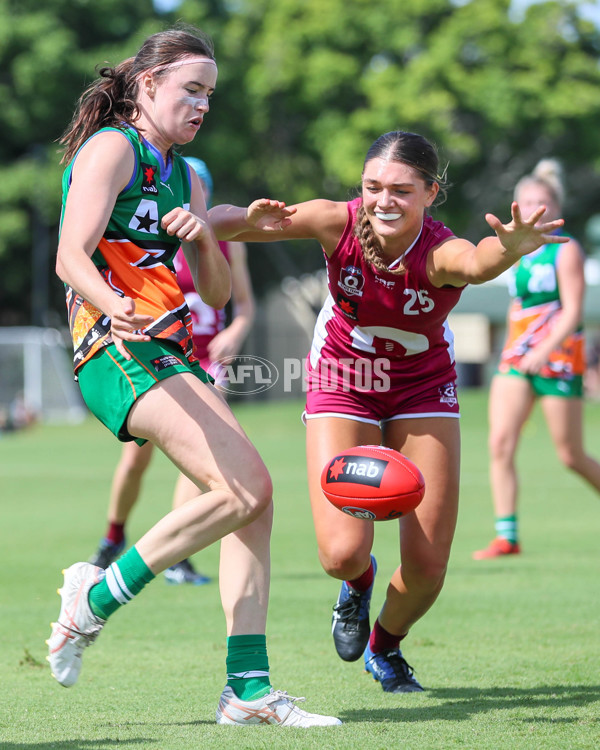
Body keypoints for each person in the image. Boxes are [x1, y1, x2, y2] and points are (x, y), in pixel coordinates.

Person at [46, 25, 340, 727]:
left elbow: (213, 292)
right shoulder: (113, 148)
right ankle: (96, 597)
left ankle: (247, 690)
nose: (203, 105)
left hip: (165, 350)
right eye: (191, 90)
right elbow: (68, 257)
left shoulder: (182, 174)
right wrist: (115, 305)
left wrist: (206, 234)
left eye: (210, 94)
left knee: (256, 500)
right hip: (112, 348)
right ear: (147, 86)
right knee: (246, 488)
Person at [208, 130, 567, 693]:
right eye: (373, 186)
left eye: (402, 189)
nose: (384, 200)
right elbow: (227, 225)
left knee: (427, 569)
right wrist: (233, 217)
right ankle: (358, 584)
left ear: (431, 192)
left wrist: (513, 246)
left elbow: (477, 263)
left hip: (423, 386)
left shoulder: (441, 250)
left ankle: (386, 645)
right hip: (343, 376)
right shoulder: (335, 220)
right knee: (340, 554)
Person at [89, 157, 256, 586]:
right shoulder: (149, 236)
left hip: (206, 358)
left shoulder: (220, 240)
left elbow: (241, 304)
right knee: (136, 458)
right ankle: (114, 536)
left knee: (206, 456)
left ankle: (178, 557)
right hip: (159, 350)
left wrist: (236, 331)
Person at [473, 159, 600, 559]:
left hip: (559, 358)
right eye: (526, 201)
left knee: (570, 455)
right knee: (500, 443)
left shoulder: (565, 251)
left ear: (554, 208)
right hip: (516, 358)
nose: (533, 208)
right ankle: (506, 535)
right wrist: (520, 348)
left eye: (541, 201)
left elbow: (573, 310)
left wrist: (543, 350)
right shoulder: (515, 252)